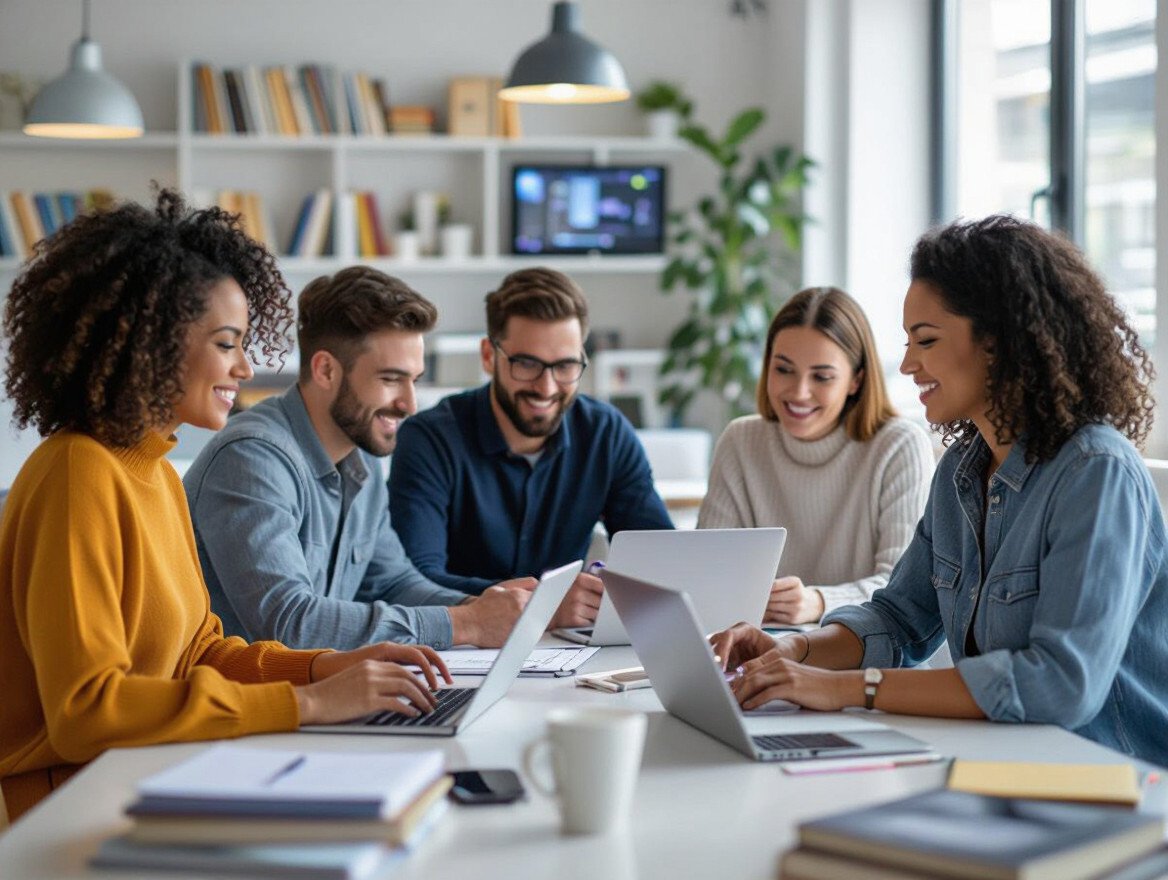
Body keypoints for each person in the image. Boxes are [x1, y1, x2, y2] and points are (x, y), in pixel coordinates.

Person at [0, 193, 450, 824]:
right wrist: (310, 704)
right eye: (226, 343)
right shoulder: (80, 473)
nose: (245, 365)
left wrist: (327, 666)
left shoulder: (153, 470)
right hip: (61, 808)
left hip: (141, 775)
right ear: (152, 343)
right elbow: (86, 713)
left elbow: (201, 655)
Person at [710, 215, 1168, 767]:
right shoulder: (961, 469)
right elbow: (899, 619)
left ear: (1003, 342)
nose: (906, 364)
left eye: (925, 340)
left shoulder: (1097, 472)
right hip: (1003, 766)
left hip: (1113, 780)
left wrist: (844, 689)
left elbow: (1060, 685)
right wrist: (793, 649)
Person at [184, 266, 535, 650]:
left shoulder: (360, 454)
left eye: (413, 380)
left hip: (319, 695)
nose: (409, 404)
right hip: (244, 702)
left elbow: (392, 582)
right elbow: (288, 623)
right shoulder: (252, 459)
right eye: (390, 379)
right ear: (326, 370)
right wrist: (465, 624)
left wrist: (486, 609)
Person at [389, 267, 673, 629]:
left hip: (570, 650)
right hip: (459, 650)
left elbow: (661, 561)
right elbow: (412, 579)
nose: (547, 387)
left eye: (566, 366)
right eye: (527, 364)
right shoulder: (430, 440)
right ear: (489, 356)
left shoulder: (606, 433)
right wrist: (541, 604)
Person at [698, 287, 933, 624]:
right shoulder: (741, 440)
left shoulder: (899, 445)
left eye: (822, 376)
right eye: (784, 370)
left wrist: (820, 602)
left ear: (856, 380)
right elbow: (707, 575)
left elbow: (904, 590)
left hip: (862, 659)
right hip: (759, 652)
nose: (799, 392)